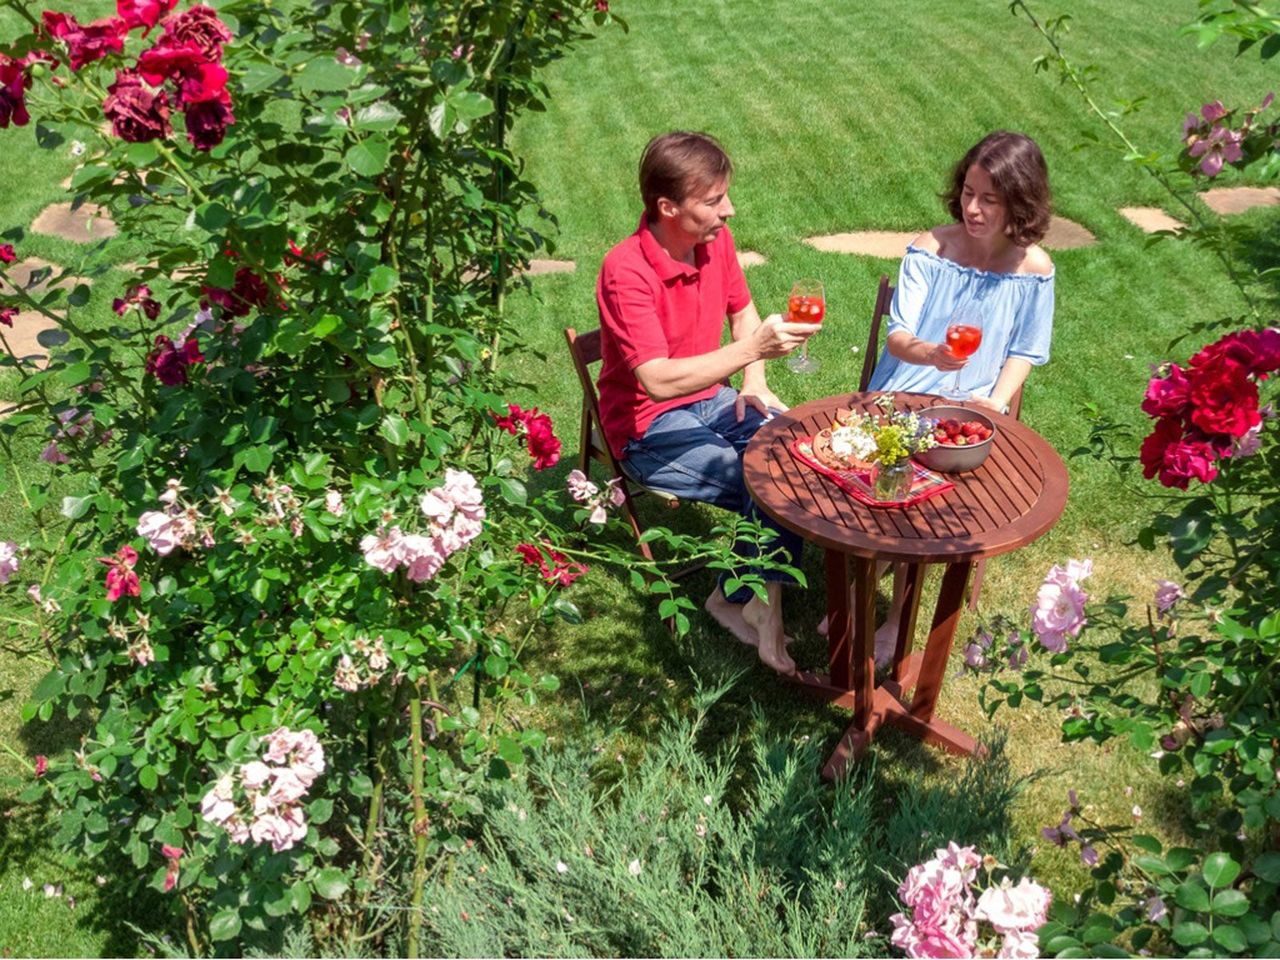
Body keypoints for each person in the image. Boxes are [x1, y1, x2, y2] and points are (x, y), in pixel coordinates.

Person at [595, 131, 816, 675]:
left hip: (711, 395)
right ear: (668, 207)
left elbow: (744, 311)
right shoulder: (627, 271)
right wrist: (752, 349)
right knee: (760, 482)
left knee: (800, 452)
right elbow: (658, 382)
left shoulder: (715, 243)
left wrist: (755, 381)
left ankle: (746, 595)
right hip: (645, 426)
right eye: (714, 200)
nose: (729, 210)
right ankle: (746, 605)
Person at [864, 130, 1056, 661]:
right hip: (905, 390)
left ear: (1018, 202)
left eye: (989, 199)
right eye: (969, 192)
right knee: (898, 469)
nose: (973, 208)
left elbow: (1025, 349)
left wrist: (996, 400)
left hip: (971, 407)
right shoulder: (933, 248)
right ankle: (864, 575)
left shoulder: (1033, 269)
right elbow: (898, 336)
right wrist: (932, 355)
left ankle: (896, 618)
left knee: (937, 489)